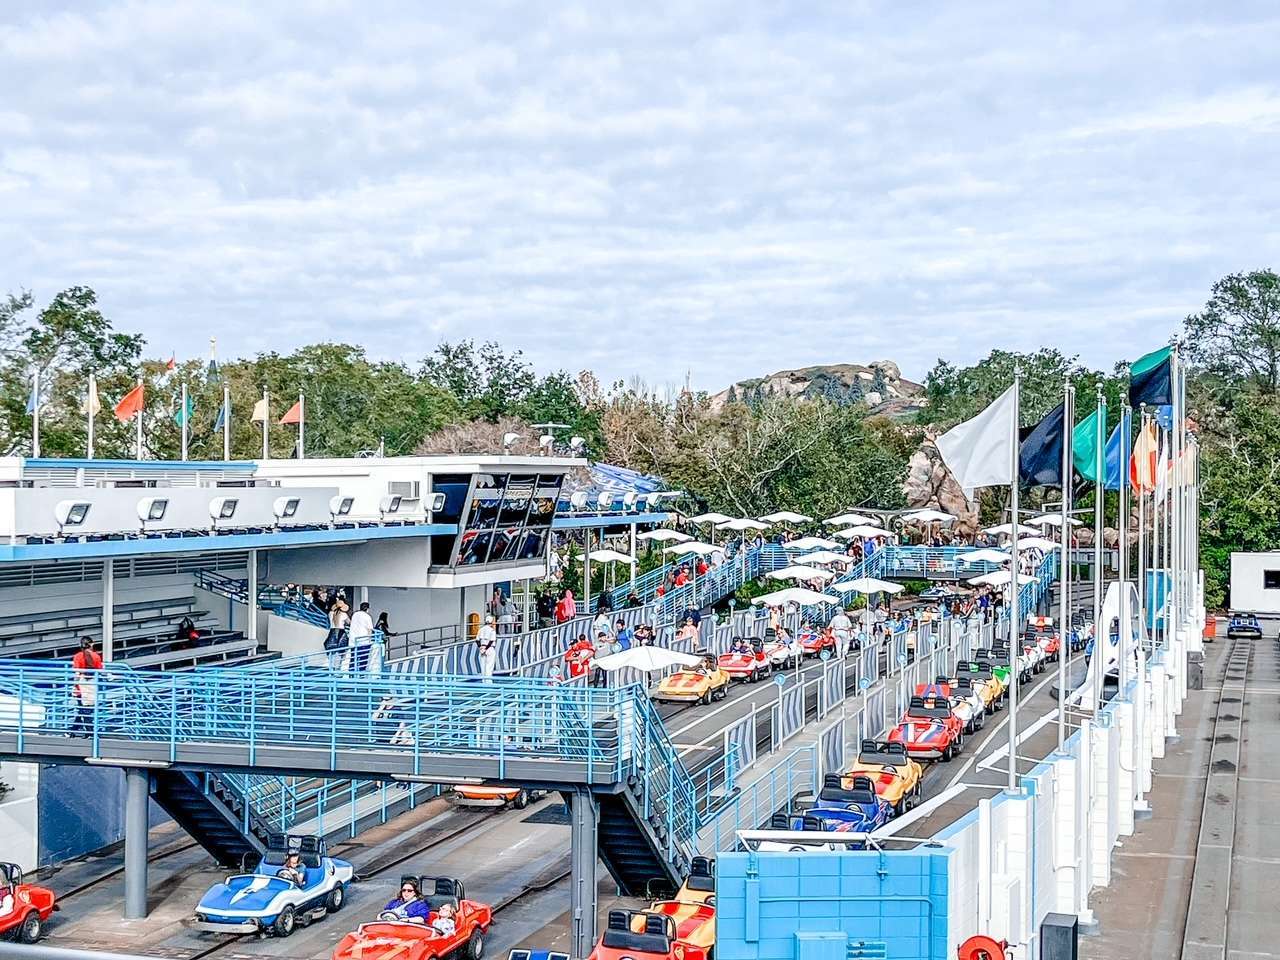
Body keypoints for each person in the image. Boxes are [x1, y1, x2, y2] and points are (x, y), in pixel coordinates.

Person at [69, 637, 103, 737]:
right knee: (85, 710)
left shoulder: (77, 656)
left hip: (80, 687)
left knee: (83, 710)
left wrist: (74, 687)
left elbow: (76, 674)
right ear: (91, 644)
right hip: (91, 686)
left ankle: (84, 732)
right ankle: (84, 732)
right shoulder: (96, 656)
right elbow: (99, 671)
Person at [349, 601, 376, 671]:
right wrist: (370, 640)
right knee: (363, 659)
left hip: (353, 640)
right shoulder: (367, 616)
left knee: (353, 658)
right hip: (364, 641)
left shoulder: (354, 614)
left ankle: (352, 673)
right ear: (367, 609)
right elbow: (370, 630)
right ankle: (361, 674)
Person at [476, 614, 498, 681]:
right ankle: (488, 681)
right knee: (489, 665)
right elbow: (491, 641)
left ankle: (483, 680)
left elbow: (477, 640)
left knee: (483, 665)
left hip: (482, 648)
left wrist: (481, 648)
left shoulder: (480, 630)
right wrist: (486, 648)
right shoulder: (492, 630)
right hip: (490, 648)